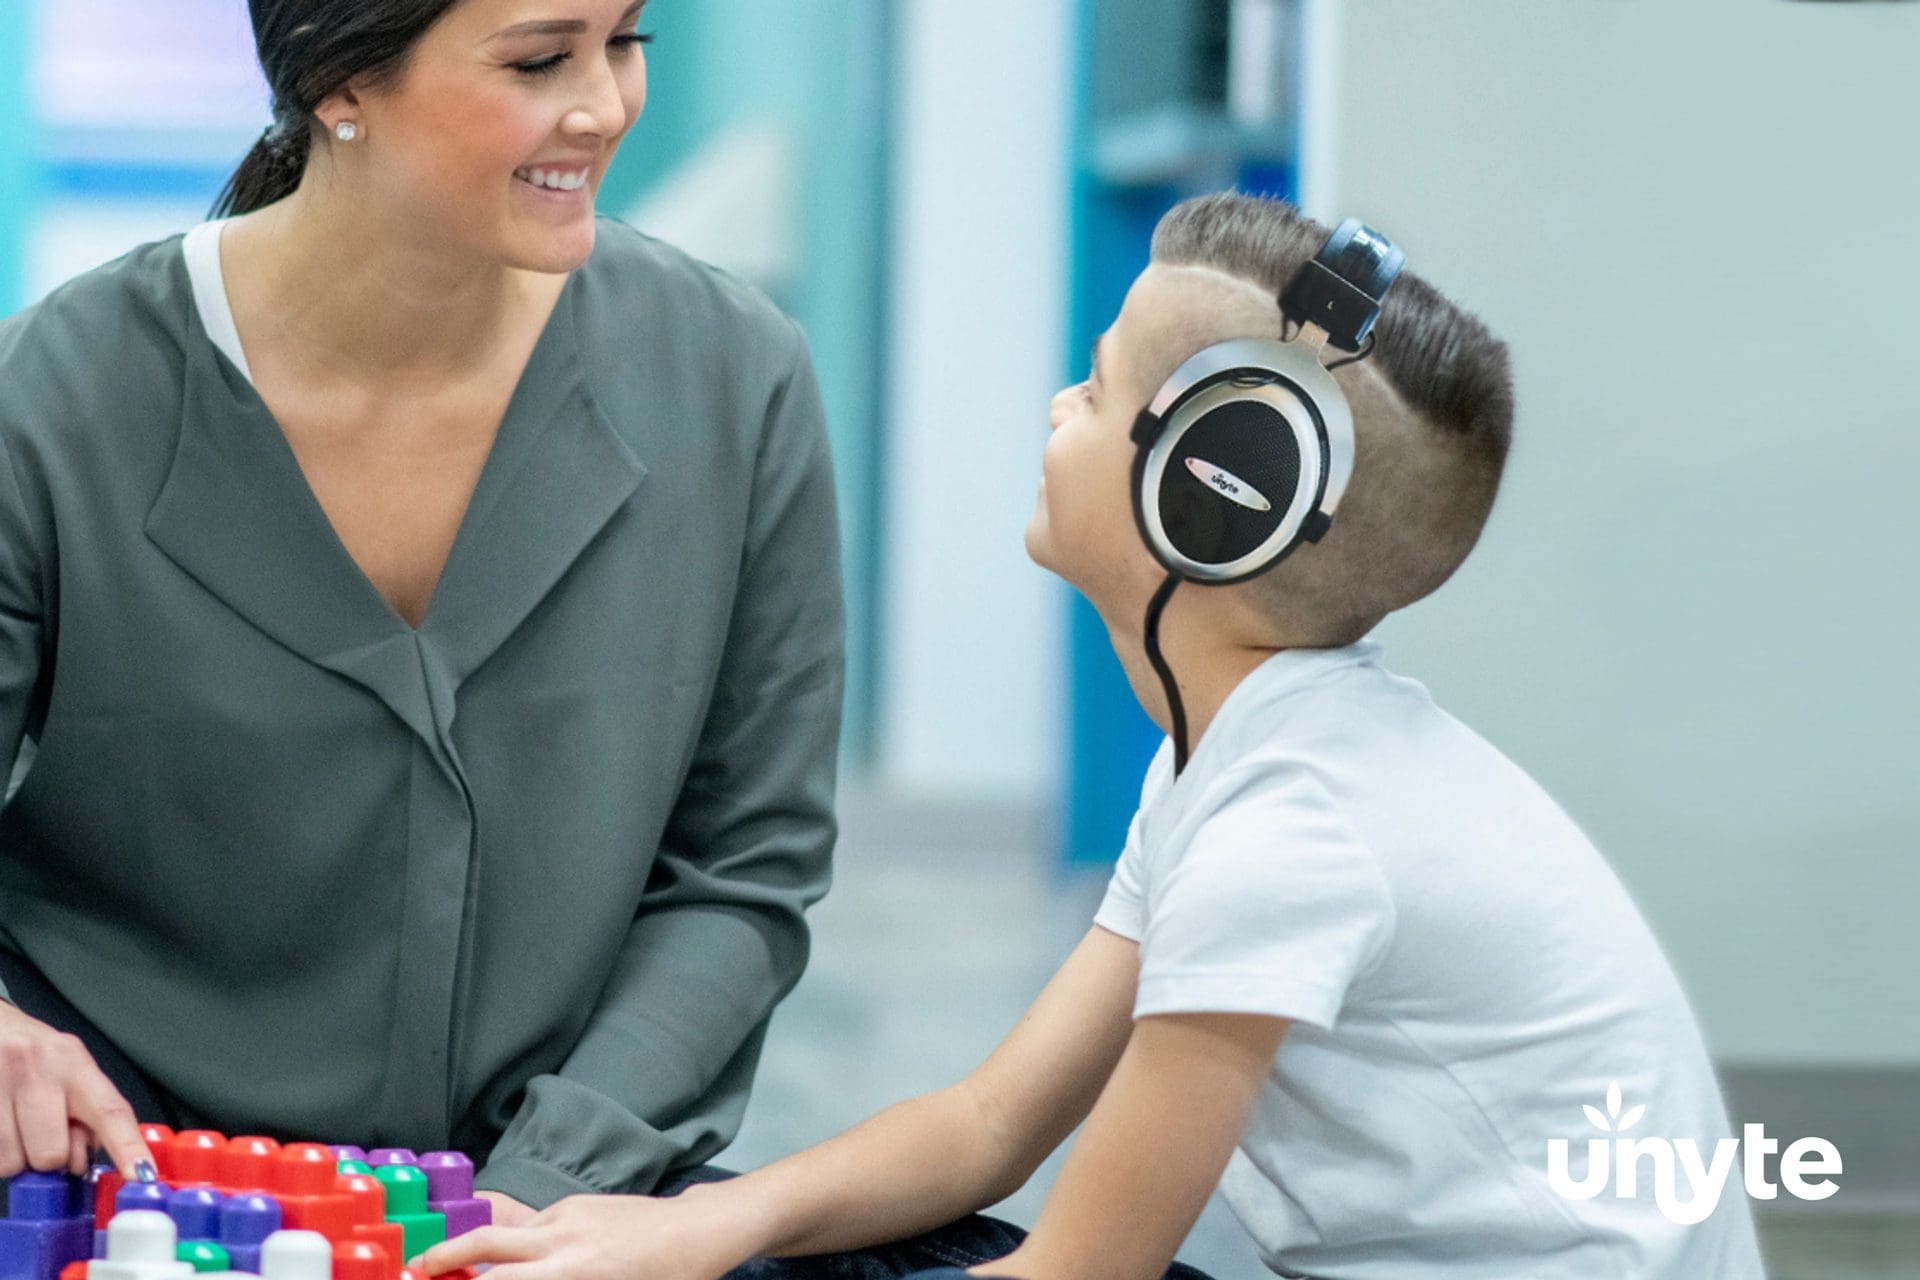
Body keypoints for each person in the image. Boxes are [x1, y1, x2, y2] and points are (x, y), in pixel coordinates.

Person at [418, 193, 1766, 1280]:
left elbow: (1079, 1272)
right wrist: (701, 1230)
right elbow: (991, 1125)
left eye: (1099, 390)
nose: (1060, 409)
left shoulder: (1291, 838)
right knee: (735, 1229)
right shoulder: (1235, 760)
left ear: (1214, 502)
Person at [0, 0, 843, 1226]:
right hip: (110, 1182)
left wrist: (542, 1194)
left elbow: (743, 872)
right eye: (543, 58)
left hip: (556, 1201)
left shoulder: (735, 377)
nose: (604, 105)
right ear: (342, 81)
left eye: (628, 43)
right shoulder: (56, 396)